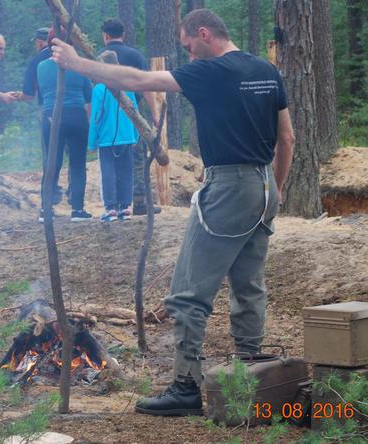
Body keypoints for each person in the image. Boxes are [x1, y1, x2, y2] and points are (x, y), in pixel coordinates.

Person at [51, 8, 295, 416]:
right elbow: (286, 138)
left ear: (204, 34)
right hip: (263, 184)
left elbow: (137, 79)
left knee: (187, 293)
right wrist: (276, 188)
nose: (189, 55)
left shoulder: (211, 70)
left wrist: (76, 63)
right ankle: (251, 373)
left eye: (188, 46)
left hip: (229, 185)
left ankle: (185, 386)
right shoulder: (266, 70)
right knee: (248, 286)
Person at [100, 18, 158, 216]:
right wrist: (155, 114)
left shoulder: (98, 58)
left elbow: (93, 93)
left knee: (108, 161)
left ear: (105, 36)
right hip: (132, 116)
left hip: (106, 118)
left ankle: (111, 206)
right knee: (136, 160)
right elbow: (147, 86)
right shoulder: (135, 56)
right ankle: (138, 203)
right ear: (122, 34)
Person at [37, 30, 93, 223]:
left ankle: (46, 209)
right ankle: (77, 209)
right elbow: (88, 97)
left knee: (52, 163)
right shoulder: (79, 68)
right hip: (76, 115)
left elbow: (41, 97)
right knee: (77, 164)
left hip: (51, 115)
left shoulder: (41, 67)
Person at [88, 51, 139, 221]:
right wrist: (136, 135)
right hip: (126, 136)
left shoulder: (99, 89)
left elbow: (96, 116)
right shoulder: (126, 85)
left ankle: (110, 208)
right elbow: (134, 111)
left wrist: (92, 142)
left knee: (108, 172)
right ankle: (125, 207)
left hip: (105, 138)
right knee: (126, 171)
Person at [19, 27, 64, 205]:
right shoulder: (70, 57)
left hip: (48, 111)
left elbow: (29, 94)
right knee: (75, 157)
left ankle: (50, 195)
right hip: (73, 110)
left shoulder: (36, 61)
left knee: (50, 153)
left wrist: (18, 96)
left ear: (39, 42)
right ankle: (77, 203)